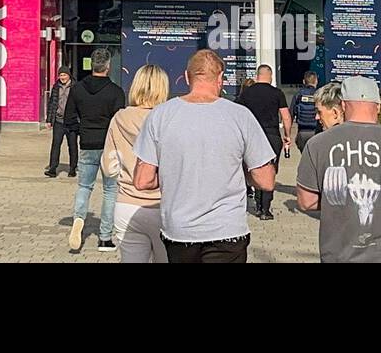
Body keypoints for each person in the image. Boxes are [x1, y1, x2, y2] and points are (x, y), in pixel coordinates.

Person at [132, 50, 276, 264]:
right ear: (220, 79)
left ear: (187, 76)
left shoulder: (160, 115)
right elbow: (266, 180)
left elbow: (142, 181)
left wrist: (173, 175)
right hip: (227, 230)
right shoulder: (240, 115)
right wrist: (241, 171)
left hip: (180, 231)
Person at [295, 76, 381, 263]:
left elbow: (306, 202)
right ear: (378, 106)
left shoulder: (316, 145)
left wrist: (341, 202)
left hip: (339, 255)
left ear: (344, 106)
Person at [101, 64, 169, 263]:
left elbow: (109, 167)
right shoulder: (168, 119)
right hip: (162, 206)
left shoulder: (119, 118)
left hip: (127, 205)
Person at [66, 48, 126, 253]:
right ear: (108, 66)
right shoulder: (116, 92)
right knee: (110, 190)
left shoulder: (77, 89)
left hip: (87, 144)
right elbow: (119, 123)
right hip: (109, 146)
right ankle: (105, 238)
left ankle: (78, 219)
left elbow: (69, 119)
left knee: (84, 186)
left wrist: (79, 133)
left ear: (91, 65)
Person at [237, 64, 292, 220]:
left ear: (257, 75)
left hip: (252, 136)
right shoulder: (277, 93)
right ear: (271, 76)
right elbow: (286, 116)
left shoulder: (246, 93)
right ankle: (265, 209)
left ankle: (257, 202)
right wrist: (287, 135)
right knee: (270, 170)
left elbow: (239, 114)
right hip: (272, 135)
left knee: (254, 167)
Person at [44, 65, 79, 178]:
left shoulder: (76, 87)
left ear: (69, 75)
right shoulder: (56, 87)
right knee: (56, 144)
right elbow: (52, 104)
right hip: (58, 121)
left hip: (72, 121)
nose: (62, 77)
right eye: (60, 75)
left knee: (72, 145)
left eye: (64, 75)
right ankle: (53, 168)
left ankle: (73, 168)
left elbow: (80, 104)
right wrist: (49, 120)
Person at [290, 71, 320, 153]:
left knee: (305, 157)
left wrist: (287, 134)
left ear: (304, 81)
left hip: (302, 132)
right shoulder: (320, 95)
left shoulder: (298, 95)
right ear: (316, 81)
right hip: (317, 132)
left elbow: (291, 115)